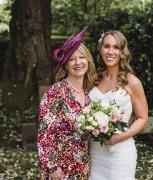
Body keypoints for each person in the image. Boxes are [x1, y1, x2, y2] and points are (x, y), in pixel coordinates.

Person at [37, 28, 96, 180]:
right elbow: (45, 134)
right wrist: (52, 167)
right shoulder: (55, 92)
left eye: (82, 57)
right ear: (65, 64)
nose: (78, 63)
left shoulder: (90, 92)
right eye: (72, 59)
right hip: (60, 166)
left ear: (88, 61)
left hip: (82, 162)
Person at [88, 30, 148, 180]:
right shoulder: (95, 79)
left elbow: (142, 118)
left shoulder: (132, 82)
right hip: (95, 152)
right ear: (100, 49)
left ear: (122, 52)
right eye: (106, 46)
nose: (110, 51)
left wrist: (119, 137)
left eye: (116, 47)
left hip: (120, 153)